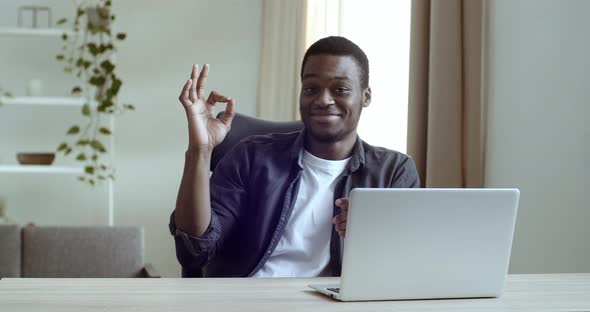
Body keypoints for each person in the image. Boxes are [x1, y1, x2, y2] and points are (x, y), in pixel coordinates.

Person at [170, 36, 420, 278]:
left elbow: (408, 267)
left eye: (341, 89)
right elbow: (195, 251)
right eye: (311, 88)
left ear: (366, 97)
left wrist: (375, 236)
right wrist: (200, 151)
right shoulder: (251, 157)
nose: (323, 100)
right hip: (247, 300)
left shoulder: (394, 172)